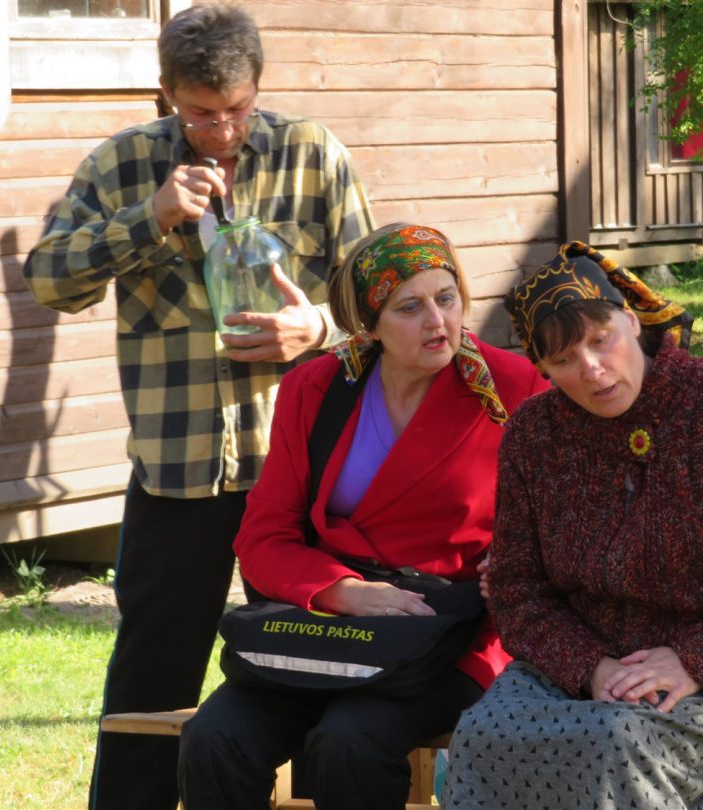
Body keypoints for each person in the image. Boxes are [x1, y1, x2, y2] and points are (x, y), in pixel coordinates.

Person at [21, 5, 373, 808]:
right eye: (200, 115)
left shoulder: (314, 154)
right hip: (178, 469)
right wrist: (148, 218)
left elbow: (379, 294)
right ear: (167, 95)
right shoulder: (121, 165)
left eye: (237, 110)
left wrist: (316, 327)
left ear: (259, 88)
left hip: (304, 472)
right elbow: (48, 280)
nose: (221, 131)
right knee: (152, 674)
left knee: (316, 668)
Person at [441, 241, 703, 809]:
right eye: (564, 360)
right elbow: (516, 587)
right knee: (484, 735)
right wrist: (590, 667)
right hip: (582, 662)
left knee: (618, 737)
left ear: (630, 320)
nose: (591, 369)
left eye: (600, 339)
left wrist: (694, 659)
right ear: (543, 369)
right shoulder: (534, 434)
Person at [175, 223, 550, 809]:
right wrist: (341, 591)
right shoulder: (316, 386)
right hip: (329, 626)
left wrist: (513, 569)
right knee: (214, 739)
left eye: (446, 298)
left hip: (453, 632)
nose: (438, 321)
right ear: (368, 324)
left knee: (348, 743)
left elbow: (554, 524)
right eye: (409, 307)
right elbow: (263, 536)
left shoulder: (512, 387)